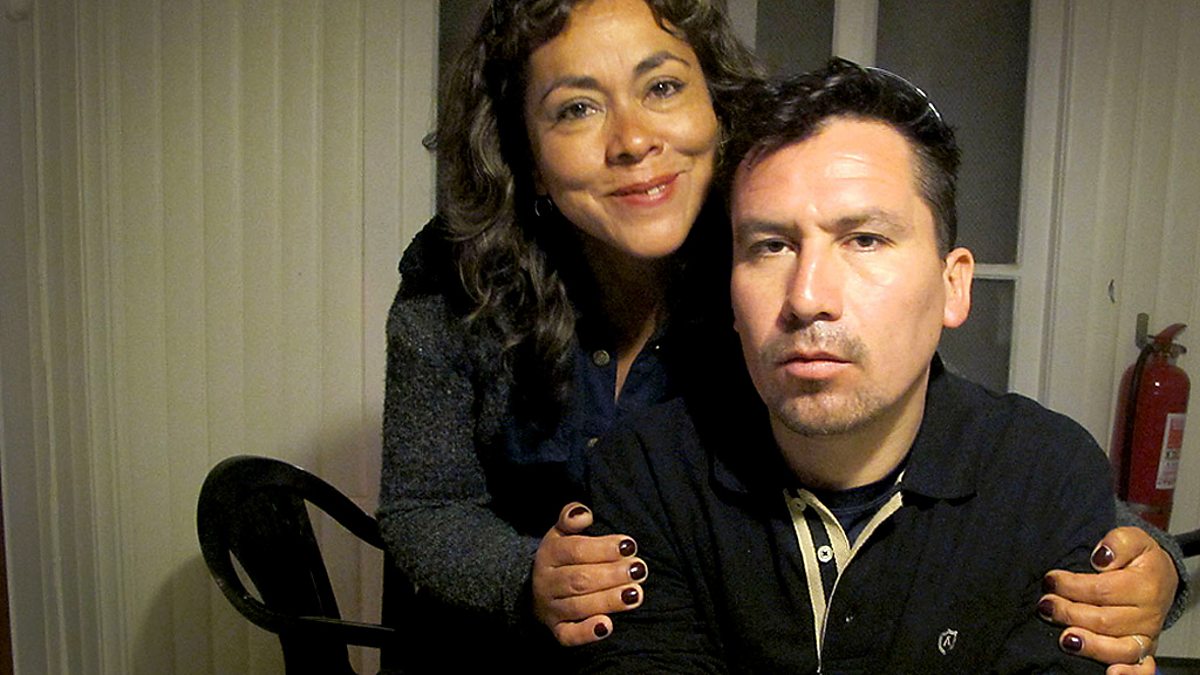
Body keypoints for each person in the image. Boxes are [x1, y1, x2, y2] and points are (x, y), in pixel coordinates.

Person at [376, 0, 1183, 669]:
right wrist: (528, 578)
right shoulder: (458, 276)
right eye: (577, 108)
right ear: (526, 151)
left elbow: (978, 460)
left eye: (662, 86)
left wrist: (1152, 568)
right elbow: (423, 506)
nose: (632, 140)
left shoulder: (772, 244)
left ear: (715, 106)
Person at [571, 59, 1174, 673]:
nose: (808, 296)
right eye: (771, 246)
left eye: (864, 240)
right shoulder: (647, 473)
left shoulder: (1045, 477)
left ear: (953, 286)